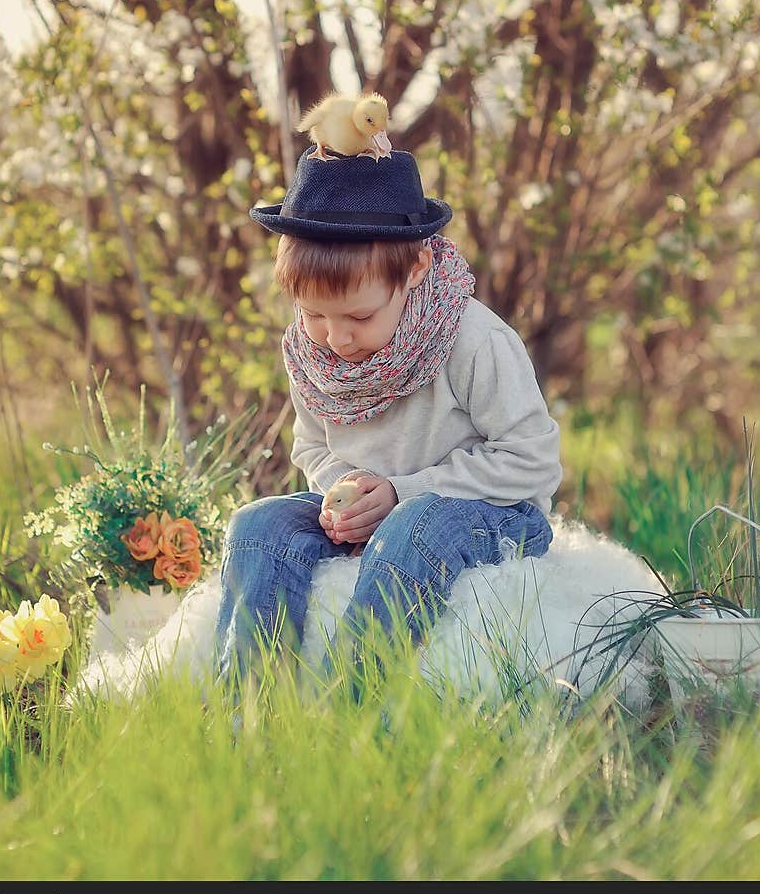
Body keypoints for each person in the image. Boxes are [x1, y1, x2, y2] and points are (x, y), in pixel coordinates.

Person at [213, 142, 562, 687]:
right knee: (258, 523)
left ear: (417, 266)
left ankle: (344, 712)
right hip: (377, 507)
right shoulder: (314, 355)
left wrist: (401, 491)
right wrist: (343, 497)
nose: (336, 337)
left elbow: (533, 461)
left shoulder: (473, 339)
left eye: (359, 315)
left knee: (414, 526)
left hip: (489, 511)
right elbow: (311, 446)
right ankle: (247, 717)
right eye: (313, 315)